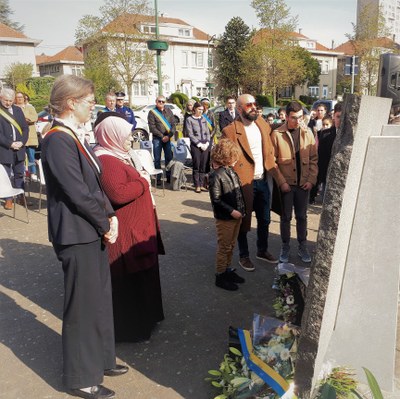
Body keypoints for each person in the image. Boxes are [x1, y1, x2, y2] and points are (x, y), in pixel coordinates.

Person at [41, 75, 127, 399]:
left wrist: (111, 215)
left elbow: (93, 183)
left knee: (100, 301)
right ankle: (80, 377)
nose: (94, 105)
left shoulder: (73, 136)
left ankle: (101, 360)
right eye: (89, 100)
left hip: (90, 229)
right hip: (75, 233)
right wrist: (105, 222)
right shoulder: (56, 140)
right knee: (81, 307)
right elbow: (76, 192)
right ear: (70, 103)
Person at [93, 112, 165, 342]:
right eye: (124, 137)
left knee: (144, 276)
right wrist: (143, 181)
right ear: (111, 136)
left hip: (137, 227)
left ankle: (148, 319)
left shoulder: (118, 154)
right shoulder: (107, 159)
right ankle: (134, 329)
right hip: (128, 231)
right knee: (132, 281)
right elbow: (119, 193)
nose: (129, 141)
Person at [222, 94, 279, 272]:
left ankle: (262, 250)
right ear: (239, 109)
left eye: (255, 104)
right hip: (243, 182)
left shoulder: (262, 123)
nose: (254, 107)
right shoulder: (230, 131)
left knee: (265, 219)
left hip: (262, 180)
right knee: (243, 221)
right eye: (249, 105)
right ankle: (244, 255)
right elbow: (223, 160)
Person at [271, 100, 318, 264]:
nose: (297, 121)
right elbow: (272, 162)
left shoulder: (308, 133)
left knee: (302, 216)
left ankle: (302, 245)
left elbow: (313, 159)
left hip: (303, 184)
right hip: (287, 185)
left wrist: (311, 180)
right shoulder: (277, 134)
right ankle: (285, 246)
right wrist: (281, 182)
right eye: (293, 118)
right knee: (285, 217)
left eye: (300, 117)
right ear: (286, 117)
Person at [209, 138, 246, 291]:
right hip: (226, 218)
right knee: (224, 246)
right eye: (233, 156)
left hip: (236, 215)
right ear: (226, 157)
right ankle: (220, 275)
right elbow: (216, 200)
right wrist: (232, 211)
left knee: (231, 245)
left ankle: (227, 270)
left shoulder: (230, 171)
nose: (236, 159)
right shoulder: (216, 175)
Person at [0, 87, 29, 210]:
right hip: (5, 149)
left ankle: (21, 196)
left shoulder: (17, 110)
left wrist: (22, 142)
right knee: (6, 175)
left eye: (11, 100)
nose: (8, 103)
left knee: (19, 173)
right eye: (6, 100)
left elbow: (25, 128)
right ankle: (8, 199)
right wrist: (10, 143)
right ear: (1, 98)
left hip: (19, 149)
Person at [148, 95, 176, 183]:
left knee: (169, 158)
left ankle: (168, 177)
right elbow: (152, 127)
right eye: (159, 101)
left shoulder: (169, 111)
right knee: (157, 159)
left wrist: (169, 136)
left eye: (163, 102)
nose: (161, 103)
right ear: (156, 102)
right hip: (157, 138)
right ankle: (158, 178)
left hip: (167, 138)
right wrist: (162, 136)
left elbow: (173, 125)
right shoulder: (152, 112)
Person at [185, 101, 211, 193]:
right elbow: (190, 133)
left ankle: (202, 184)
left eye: (202, 110)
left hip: (205, 144)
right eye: (199, 109)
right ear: (195, 109)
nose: (201, 111)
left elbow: (207, 132)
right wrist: (199, 144)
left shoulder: (203, 119)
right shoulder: (189, 119)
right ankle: (197, 185)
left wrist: (207, 142)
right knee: (197, 165)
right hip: (196, 145)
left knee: (203, 165)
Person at [317, 104, 341, 200]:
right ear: (334, 116)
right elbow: (322, 157)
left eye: (343, 117)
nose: (340, 120)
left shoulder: (351, 136)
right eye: (338, 116)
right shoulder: (325, 134)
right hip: (328, 174)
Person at [15, 92, 39, 181]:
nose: (20, 99)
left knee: (31, 156)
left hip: (30, 137)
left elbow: (35, 118)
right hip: (18, 137)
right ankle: (22, 173)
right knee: (20, 157)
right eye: (18, 97)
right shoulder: (12, 108)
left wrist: (24, 118)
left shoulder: (30, 107)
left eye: (21, 97)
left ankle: (33, 173)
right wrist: (26, 119)